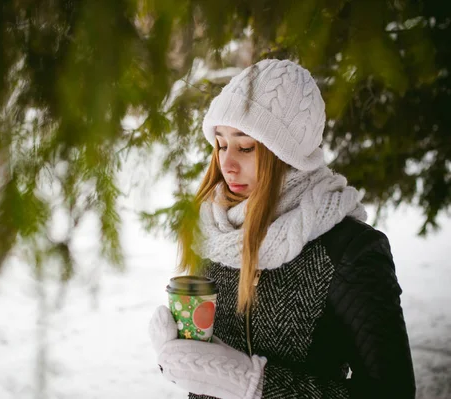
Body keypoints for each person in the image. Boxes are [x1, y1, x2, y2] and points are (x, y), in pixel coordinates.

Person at [148, 59, 415, 399]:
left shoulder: (348, 250)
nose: (226, 164)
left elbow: (392, 391)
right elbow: (206, 371)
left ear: (289, 156)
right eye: (220, 144)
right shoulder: (214, 232)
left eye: (246, 147)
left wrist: (255, 384)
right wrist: (178, 359)